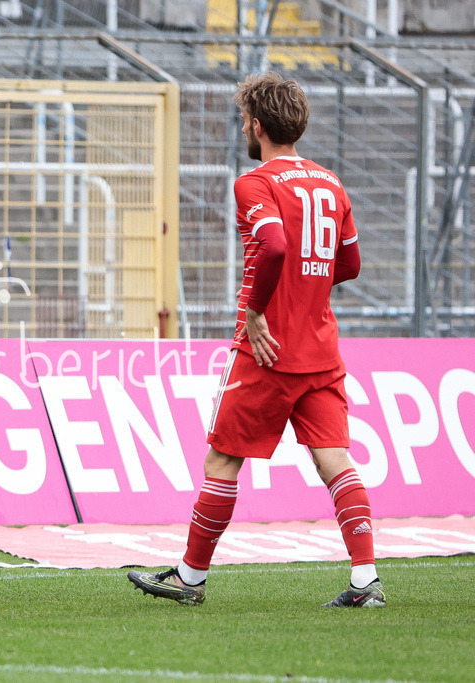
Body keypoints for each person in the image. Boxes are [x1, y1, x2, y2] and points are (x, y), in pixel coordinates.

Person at [127, 72, 380, 608]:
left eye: (245, 119)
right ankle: (366, 581)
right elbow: (350, 264)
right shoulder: (331, 182)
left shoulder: (255, 183)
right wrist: (306, 290)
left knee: (222, 461)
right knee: (335, 459)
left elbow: (273, 244)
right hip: (321, 349)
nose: (244, 126)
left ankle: (190, 579)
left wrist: (261, 311)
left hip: (266, 348)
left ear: (257, 125)